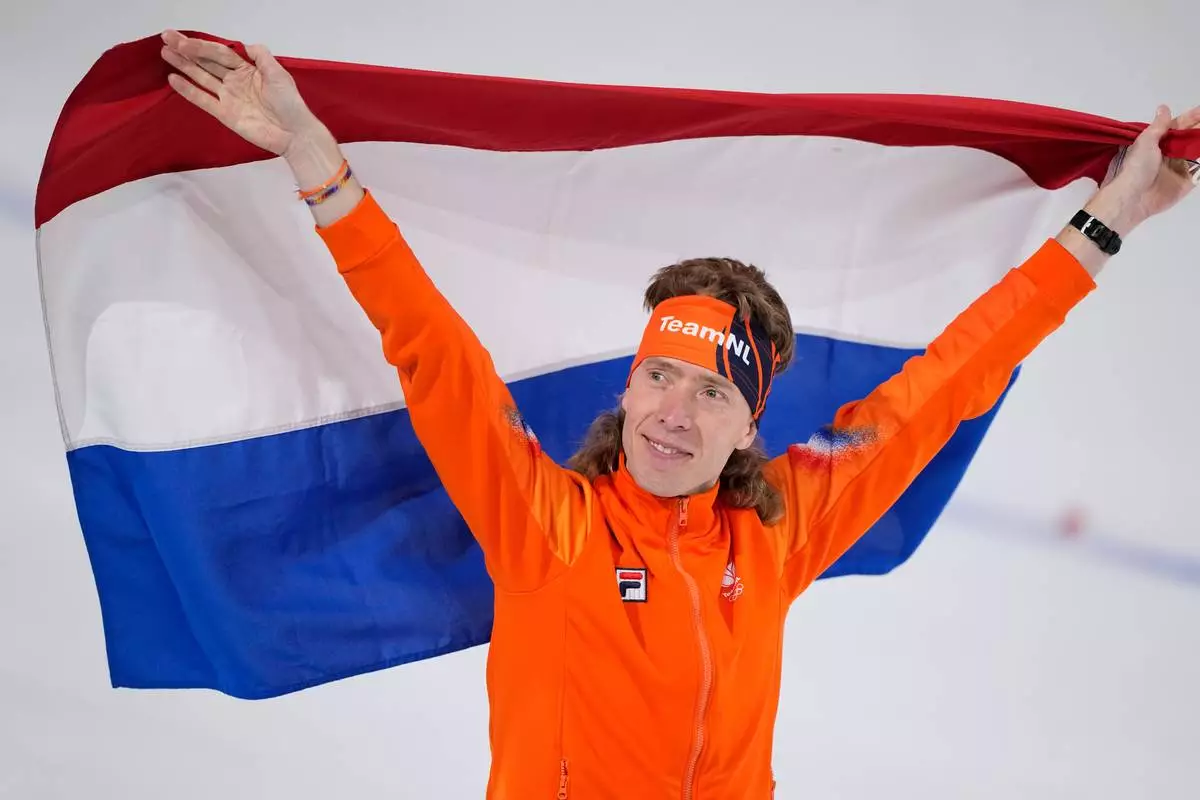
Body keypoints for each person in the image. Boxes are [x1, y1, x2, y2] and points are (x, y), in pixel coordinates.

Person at [159, 29, 1197, 799]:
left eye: (712, 392)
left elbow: (953, 377)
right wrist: (316, 161)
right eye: (660, 376)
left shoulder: (779, 529)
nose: (674, 411)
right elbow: (433, 350)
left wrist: (1108, 220)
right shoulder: (548, 526)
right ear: (626, 385)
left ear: (748, 426)